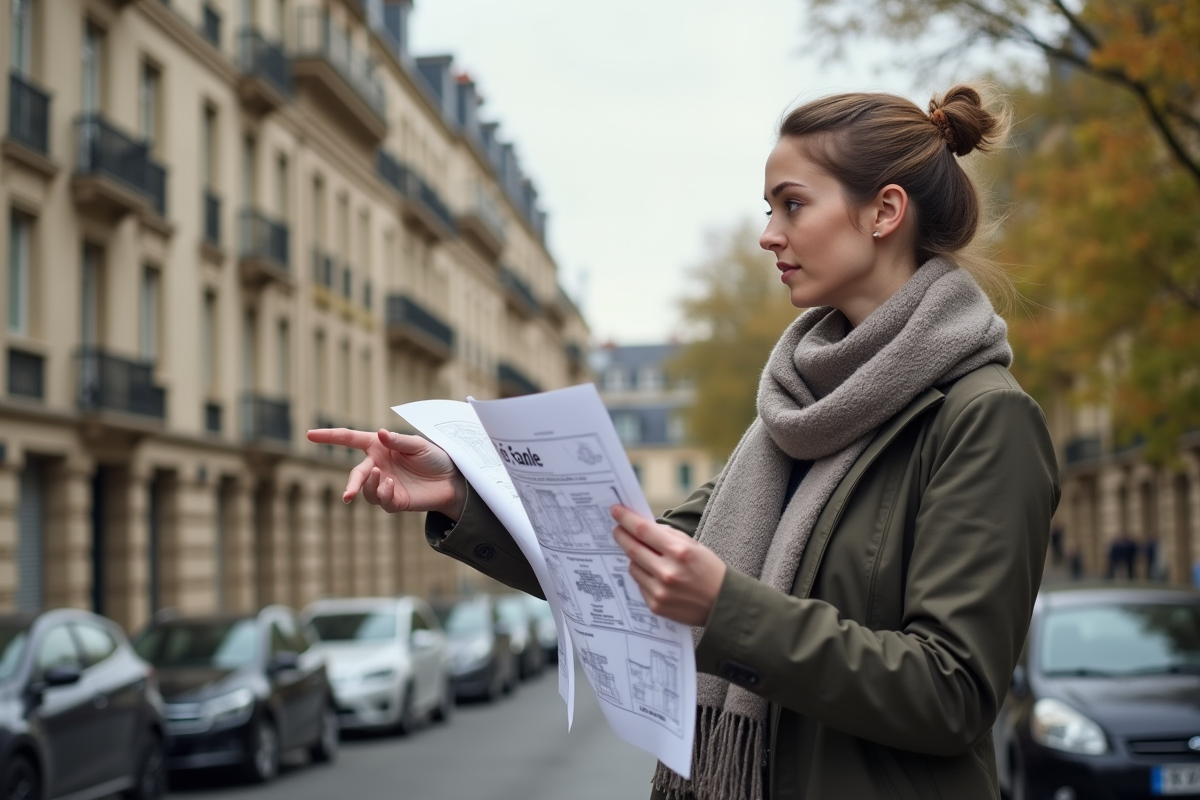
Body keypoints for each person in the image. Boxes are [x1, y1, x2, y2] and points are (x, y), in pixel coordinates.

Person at [309, 85, 1060, 800]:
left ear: (884, 211)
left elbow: (952, 693)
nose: (769, 235)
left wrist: (725, 610)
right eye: (769, 209)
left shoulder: (984, 419)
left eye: (793, 206)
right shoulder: (792, 410)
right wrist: (465, 490)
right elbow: (631, 557)